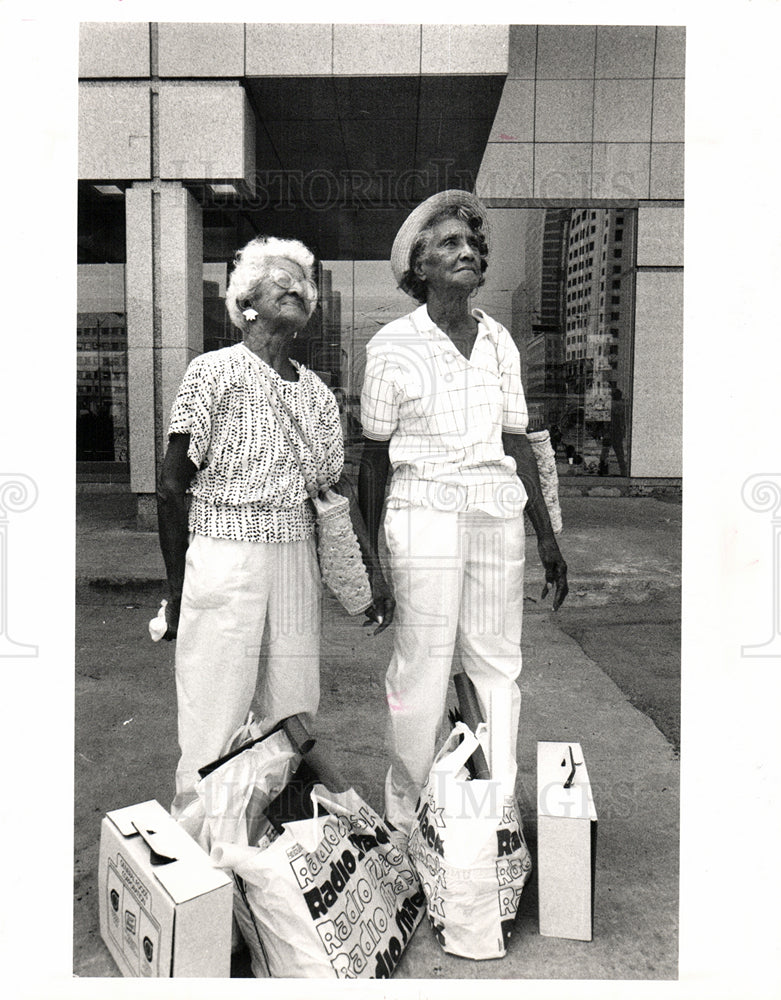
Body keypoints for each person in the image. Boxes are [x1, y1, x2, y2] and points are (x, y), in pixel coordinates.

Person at [157, 235, 392, 815]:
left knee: (289, 702)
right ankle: (201, 845)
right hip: (225, 553)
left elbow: (333, 493)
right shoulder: (212, 372)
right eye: (280, 278)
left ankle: (261, 827)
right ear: (247, 302)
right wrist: (177, 587)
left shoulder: (315, 394)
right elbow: (170, 485)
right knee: (216, 699)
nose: (297, 286)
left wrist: (372, 573)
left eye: (304, 282)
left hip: (295, 559)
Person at [358, 191, 568, 837]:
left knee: (497, 663)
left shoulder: (499, 339)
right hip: (422, 515)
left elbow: (517, 441)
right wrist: (371, 562)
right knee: (421, 665)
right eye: (449, 243)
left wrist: (549, 539)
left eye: (473, 244)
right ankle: (410, 814)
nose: (468, 251)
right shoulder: (392, 344)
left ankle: (492, 815)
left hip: (494, 517)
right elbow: (372, 459)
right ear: (417, 266)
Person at [598, 386, 628, 476]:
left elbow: (606, 419)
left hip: (609, 431)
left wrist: (604, 430)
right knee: (619, 452)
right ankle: (623, 470)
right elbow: (623, 421)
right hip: (617, 432)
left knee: (605, 451)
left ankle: (602, 469)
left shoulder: (610, 405)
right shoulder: (622, 406)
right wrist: (623, 432)